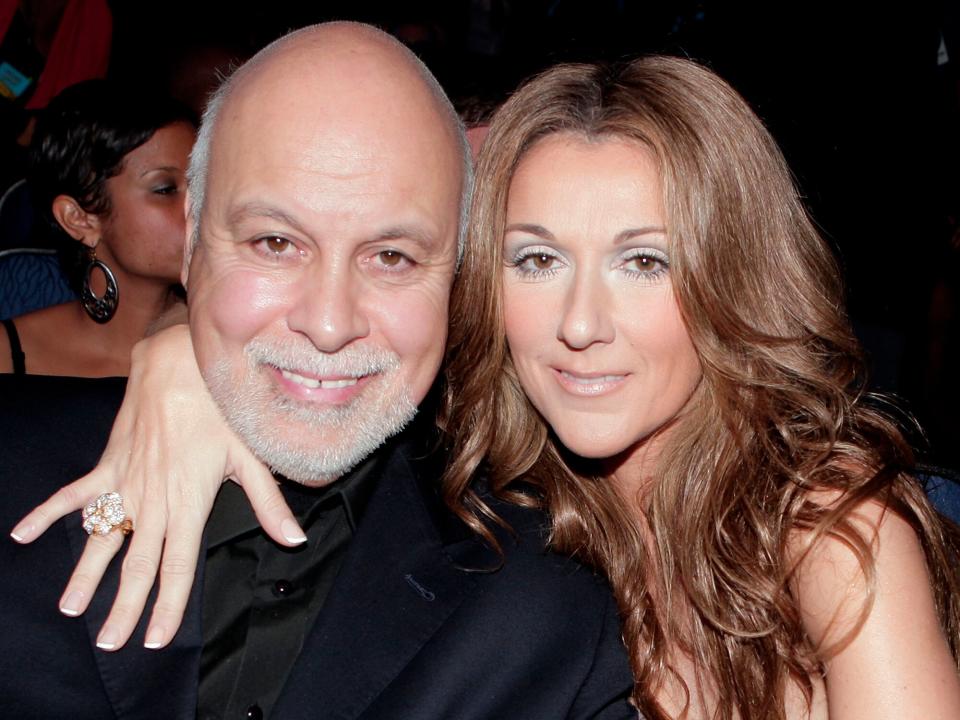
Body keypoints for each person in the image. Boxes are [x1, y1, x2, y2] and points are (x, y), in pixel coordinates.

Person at [0, 22, 636, 720]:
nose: (330, 324)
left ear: (459, 276)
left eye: (392, 256)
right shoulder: (17, 462)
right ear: (191, 244)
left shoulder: (550, 610)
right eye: (276, 243)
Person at [0, 79, 194, 376]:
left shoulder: (230, 346)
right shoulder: (9, 356)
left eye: (202, 184)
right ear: (79, 218)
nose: (199, 205)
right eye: (166, 189)